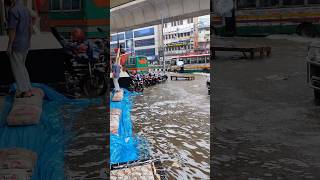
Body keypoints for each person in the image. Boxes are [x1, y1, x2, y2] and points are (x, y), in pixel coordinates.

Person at [5, 0, 33, 98]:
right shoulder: (26, 10)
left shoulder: (13, 11)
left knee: (17, 68)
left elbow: (12, 30)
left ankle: (23, 91)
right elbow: (30, 27)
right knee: (22, 67)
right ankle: (28, 88)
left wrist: (9, 45)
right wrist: (29, 41)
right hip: (25, 43)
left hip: (17, 44)